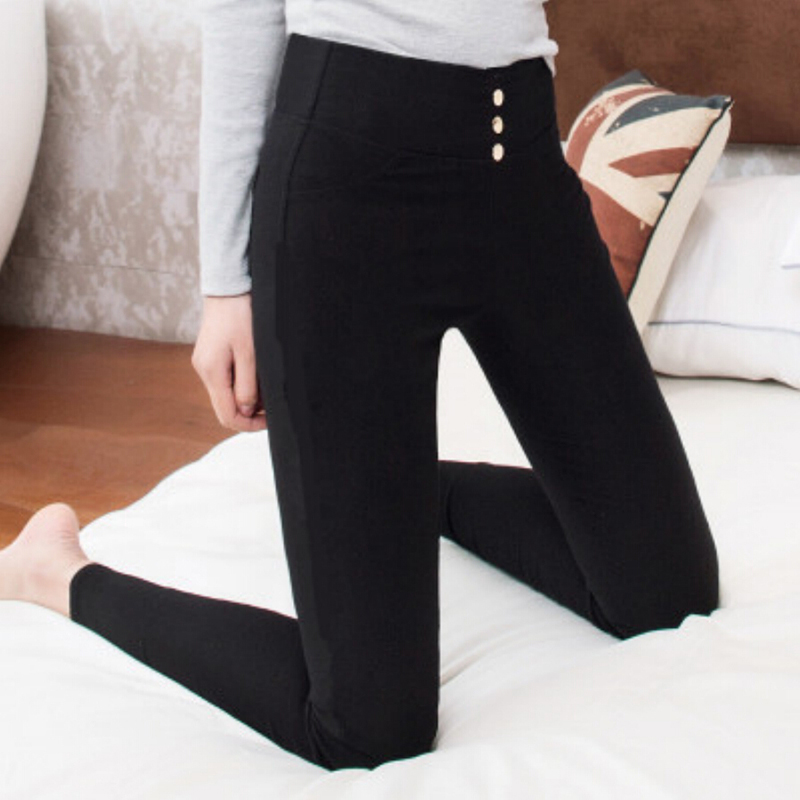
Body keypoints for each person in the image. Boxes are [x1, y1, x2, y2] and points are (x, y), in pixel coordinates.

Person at [0, 1, 720, 771]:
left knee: (667, 592)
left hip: (523, 171)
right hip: (349, 194)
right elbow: (243, 14)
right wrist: (225, 287)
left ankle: (400, 496)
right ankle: (59, 573)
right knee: (370, 729)